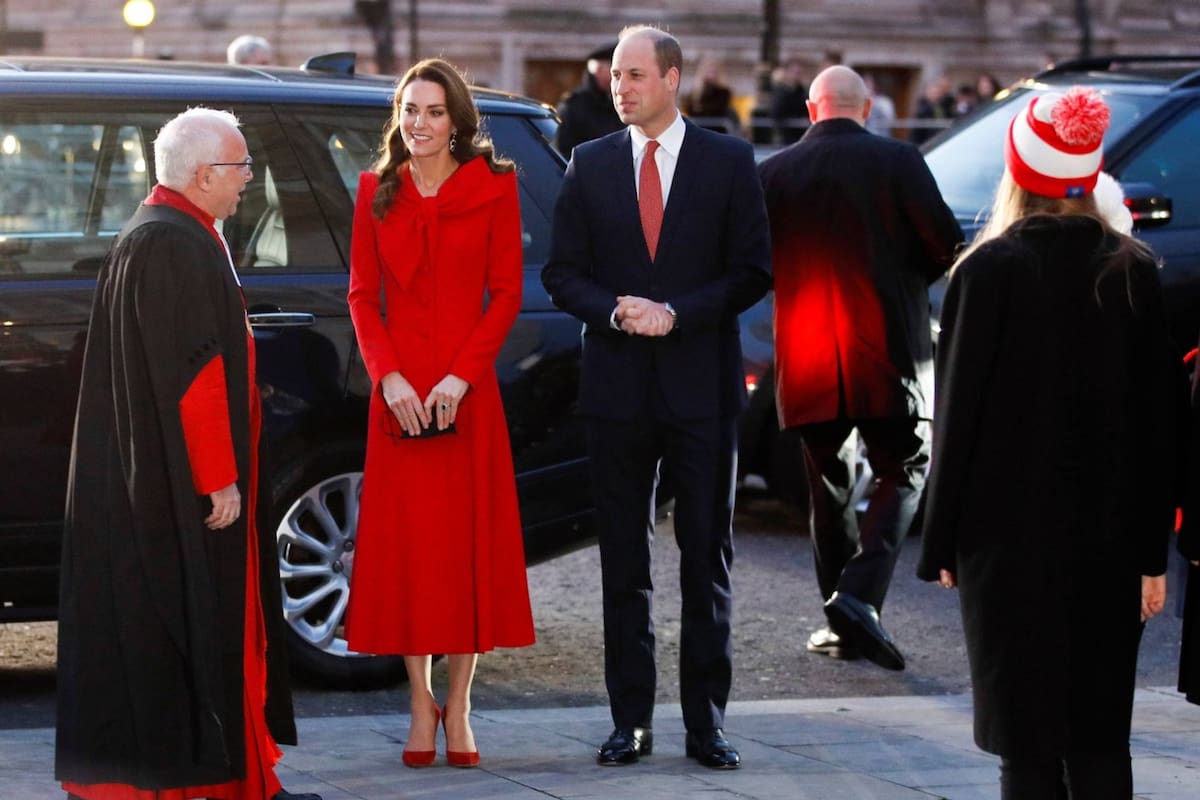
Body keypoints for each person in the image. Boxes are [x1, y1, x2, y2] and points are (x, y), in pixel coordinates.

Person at [918, 87, 1182, 798]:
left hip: (1007, 543)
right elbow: (1161, 425)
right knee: (1099, 740)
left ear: (1019, 175)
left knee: (1025, 743)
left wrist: (939, 541)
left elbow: (959, 421)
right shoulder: (1131, 271)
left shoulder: (986, 271)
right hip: (1112, 539)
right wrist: (1153, 554)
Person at [55, 108, 319, 800]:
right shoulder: (175, 244)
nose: (249, 181)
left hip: (155, 479)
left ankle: (239, 776)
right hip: (185, 488)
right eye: (240, 169)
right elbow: (193, 375)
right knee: (195, 623)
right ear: (205, 176)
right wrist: (220, 479)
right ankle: (214, 785)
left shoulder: (159, 230)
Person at [542, 24, 771, 771]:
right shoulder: (590, 161)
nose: (621, 87)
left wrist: (678, 313)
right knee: (623, 564)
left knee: (707, 559)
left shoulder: (730, 160)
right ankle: (629, 722)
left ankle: (706, 725)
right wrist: (615, 309)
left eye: (636, 74)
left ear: (671, 78)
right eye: (615, 76)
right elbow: (562, 272)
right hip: (616, 391)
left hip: (701, 388)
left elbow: (752, 270)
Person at [343, 57, 535, 770]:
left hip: (467, 397)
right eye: (408, 110)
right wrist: (388, 377)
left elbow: (507, 293)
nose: (417, 124)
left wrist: (460, 378)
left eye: (431, 112)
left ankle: (459, 708)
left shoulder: (496, 187)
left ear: (456, 121)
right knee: (408, 556)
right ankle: (419, 704)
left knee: (464, 554)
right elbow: (362, 296)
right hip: (398, 401)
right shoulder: (374, 191)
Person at [758, 65, 962, 672]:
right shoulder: (899, 162)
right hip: (888, 348)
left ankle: (842, 618)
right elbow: (947, 246)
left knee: (829, 488)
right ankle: (858, 596)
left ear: (812, 110)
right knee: (908, 466)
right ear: (866, 109)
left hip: (809, 353)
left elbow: (757, 264)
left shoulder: (772, 173)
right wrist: (901, 286)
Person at [553, 42, 623, 157]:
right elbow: (562, 153)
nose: (619, 78)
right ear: (599, 71)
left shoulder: (619, 102)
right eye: (615, 73)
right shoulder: (573, 107)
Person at [680, 54, 742, 136]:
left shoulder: (724, 94)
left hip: (718, 132)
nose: (711, 74)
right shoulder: (695, 96)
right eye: (708, 71)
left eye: (713, 71)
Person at [768, 57, 809, 144]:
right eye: (794, 72)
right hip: (785, 136)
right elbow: (777, 112)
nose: (797, 75)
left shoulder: (802, 91)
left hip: (801, 135)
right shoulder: (780, 91)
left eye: (799, 73)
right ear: (787, 72)